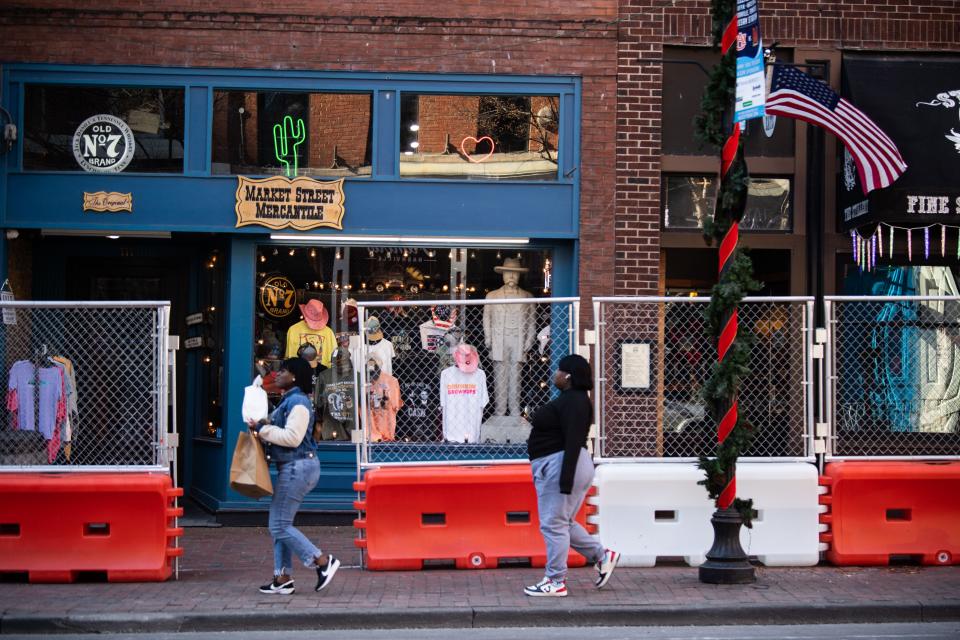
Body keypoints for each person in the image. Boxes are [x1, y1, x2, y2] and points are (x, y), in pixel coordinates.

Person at [524, 354, 619, 597]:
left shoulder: (576, 401)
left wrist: (564, 478)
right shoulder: (571, 399)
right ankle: (602, 555)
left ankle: (555, 580)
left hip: (563, 464)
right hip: (565, 464)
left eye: (559, 370)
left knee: (553, 524)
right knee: (562, 522)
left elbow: (574, 439)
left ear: (568, 376)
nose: (554, 374)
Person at [247, 357, 340, 595]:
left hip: (297, 467)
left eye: (284, 371)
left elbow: (292, 438)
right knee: (281, 524)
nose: (277, 374)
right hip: (294, 467)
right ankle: (282, 578)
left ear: (295, 377)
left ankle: (321, 561)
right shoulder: (289, 401)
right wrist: (263, 424)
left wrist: (262, 429)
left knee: (278, 525)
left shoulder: (298, 402)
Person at [483, 258, 536, 417]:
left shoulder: (528, 297)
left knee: (516, 376)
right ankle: (500, 411)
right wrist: (488, 338)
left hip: (518, 340)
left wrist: (529, 339)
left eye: (515, 273)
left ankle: (514, 410)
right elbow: (487, 318)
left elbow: (532, 321)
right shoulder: (492, 296)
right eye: (508, 272)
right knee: (499, 376)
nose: (511, 276)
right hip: (500, 339)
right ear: (502, 274)